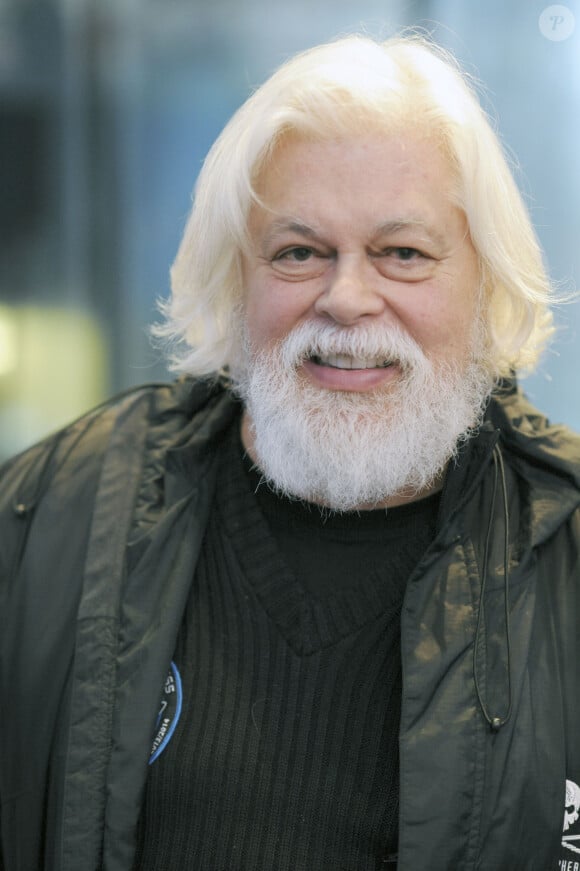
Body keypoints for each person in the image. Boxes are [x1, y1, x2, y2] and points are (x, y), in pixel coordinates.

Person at [1, 32, 579, 871]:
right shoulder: (51, 514)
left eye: (403, 253)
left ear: (487, 288)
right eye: (299, 251)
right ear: (236, 282)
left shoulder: (565, 556)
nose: (347, 299)